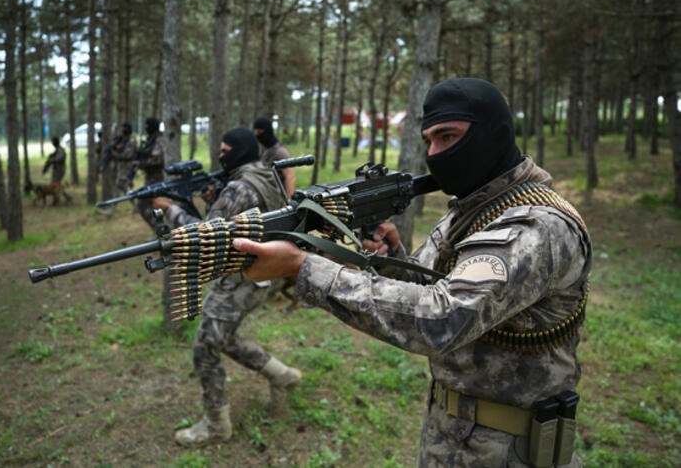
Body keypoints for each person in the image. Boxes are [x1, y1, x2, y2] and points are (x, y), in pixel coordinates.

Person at [234, 78, 592, 467]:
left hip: (512, 451)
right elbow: (432, 286)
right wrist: (391, 258)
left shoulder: (536, 227)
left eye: (448, 136)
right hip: (452, 434)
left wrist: (304, 267)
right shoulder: (473, 209)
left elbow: (444, 317)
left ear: (494, 133)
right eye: (429, 141)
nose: (435, 154)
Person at [153, 127, 302, 446]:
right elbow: (240, 218)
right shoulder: (265, 175)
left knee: (206, 344)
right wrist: (215, 199)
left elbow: (203, 235)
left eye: (225, 150)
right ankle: (281, 375)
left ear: (239, 151)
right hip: (267, 274)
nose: (220, 155)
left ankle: (216, 424)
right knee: (224, 336)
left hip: (243, 278)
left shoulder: (238, 188)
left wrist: (169, 208)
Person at [252, 117, 296, 199]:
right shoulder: (267, 150)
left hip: (279, 199)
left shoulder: (280, 152)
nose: (257, 135)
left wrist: (288, 202)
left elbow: (290, 177)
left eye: (259, 132)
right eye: (255, 132)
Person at [134, 117, 165, 227]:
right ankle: (159, 231)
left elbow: (157, 160)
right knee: (145, 205)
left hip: (159, 180)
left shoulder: (159, 140)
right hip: (151, 179)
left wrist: (141, 163)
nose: (146, 128)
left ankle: (161, 230)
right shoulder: (150, 140)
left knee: (150, 205)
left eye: (148, 126)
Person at [109, 122, 137, 197]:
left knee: (120, 184)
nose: (122, 130)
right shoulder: (123, 139)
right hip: (122, 167)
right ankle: (136, 204)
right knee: (124, 186)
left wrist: (116, 155)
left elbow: (128, 155)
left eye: (123, 128)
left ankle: (113, 205)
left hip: (127, 167)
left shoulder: (131, 140)